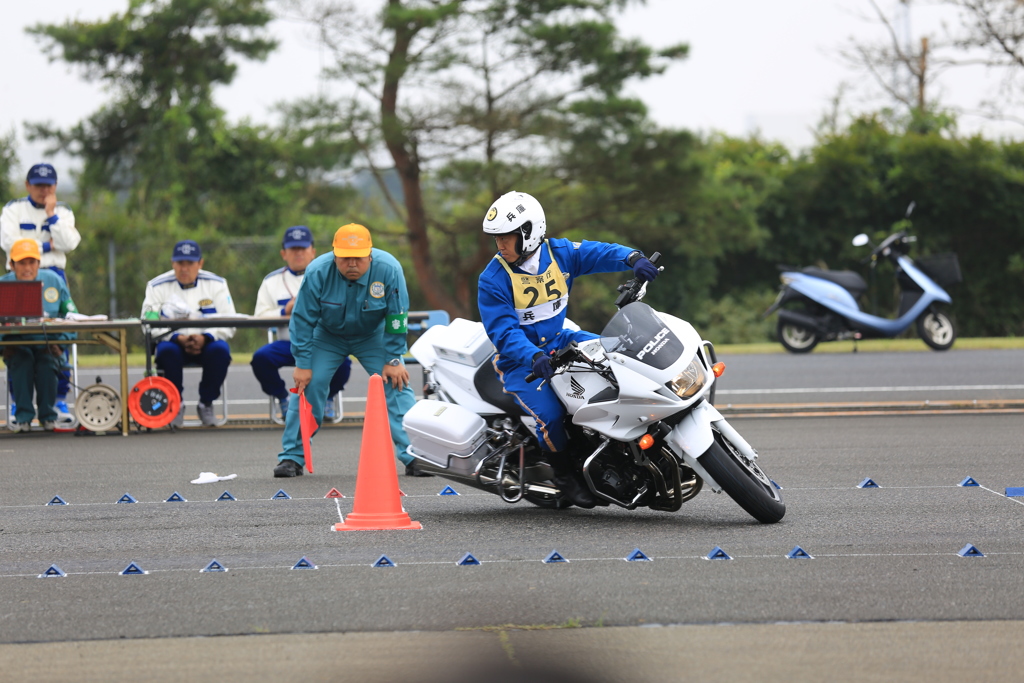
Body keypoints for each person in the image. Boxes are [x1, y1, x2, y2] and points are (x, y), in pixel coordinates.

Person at [477, 191, 659, 508]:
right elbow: (504, 332)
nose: (501, 246)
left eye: (507, 238)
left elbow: (598, 252)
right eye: (497, 239)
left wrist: (633, 258)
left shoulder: (559, 252)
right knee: (550, 414)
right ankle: (563, 474)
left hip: (563, 340)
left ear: (529, 233)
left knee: (625, 357)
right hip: (521, 363)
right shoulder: (492, 279)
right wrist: (531, 356)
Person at [273, 223, 416, 478]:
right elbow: (303, 319)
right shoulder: (317, 271)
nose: (352, 263)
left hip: (372, 335)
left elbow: (397, 316)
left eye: (358, 257)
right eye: (345, 257)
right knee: (309, 386)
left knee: (396, 383)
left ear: (370, 255)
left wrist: (394, 358)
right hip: (327, 335)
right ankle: (292, 457)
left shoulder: (389, 268)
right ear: (334, 255)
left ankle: (414, 454)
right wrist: (303, 364)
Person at [1, 163, 82, 414]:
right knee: (17, 340)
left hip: (53, 278)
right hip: (19, 278)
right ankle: (19, 404)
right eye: (38, 185)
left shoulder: (63, 211)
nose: (43, 190)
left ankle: (58, 400)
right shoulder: (14, 209)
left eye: (48, 185)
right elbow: (9, 242)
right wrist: (46, 247)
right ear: (28, 185)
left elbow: (69, 243)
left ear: (55, 186)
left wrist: (51, 215)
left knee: (57, 338)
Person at [251, 225, 351, 420]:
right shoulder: (271, 281)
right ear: (283, 253)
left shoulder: (331, 277)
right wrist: (285, 310)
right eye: (293, 249)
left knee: (344, 361)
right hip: (287, 344)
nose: (298, 253)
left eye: (303, 248)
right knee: (261, 359)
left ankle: (327, 398)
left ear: (312, 252)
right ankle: (283, 398)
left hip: (322, 343)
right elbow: (260, 318)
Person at [141, 240, 236, 427]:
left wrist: (205, 337)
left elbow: (230, 322)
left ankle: (206, 403)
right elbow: (147, 324)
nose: (184, 268)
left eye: (190, 263)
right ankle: (175, 404)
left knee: (221, 351)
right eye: (180, 263)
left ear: (200, 263)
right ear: (172, 263)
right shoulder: (156, 286)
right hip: (173, 342)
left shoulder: (217, 284)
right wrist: (178, 338)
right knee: (166, 351)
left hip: (207, 343)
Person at [1, 238, 77, 432]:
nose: (27, 268)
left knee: (47, 361)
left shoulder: (54, 281)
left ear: (39, 263)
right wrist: (3, 345)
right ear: (11, 265)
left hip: (48, 344)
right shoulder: (3, 285)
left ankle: (48, 416)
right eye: (22, 263)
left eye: (32, 262)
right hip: (16, 345)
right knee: (21, 360)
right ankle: (23, 417)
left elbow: (71, 316)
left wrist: (62, 344)